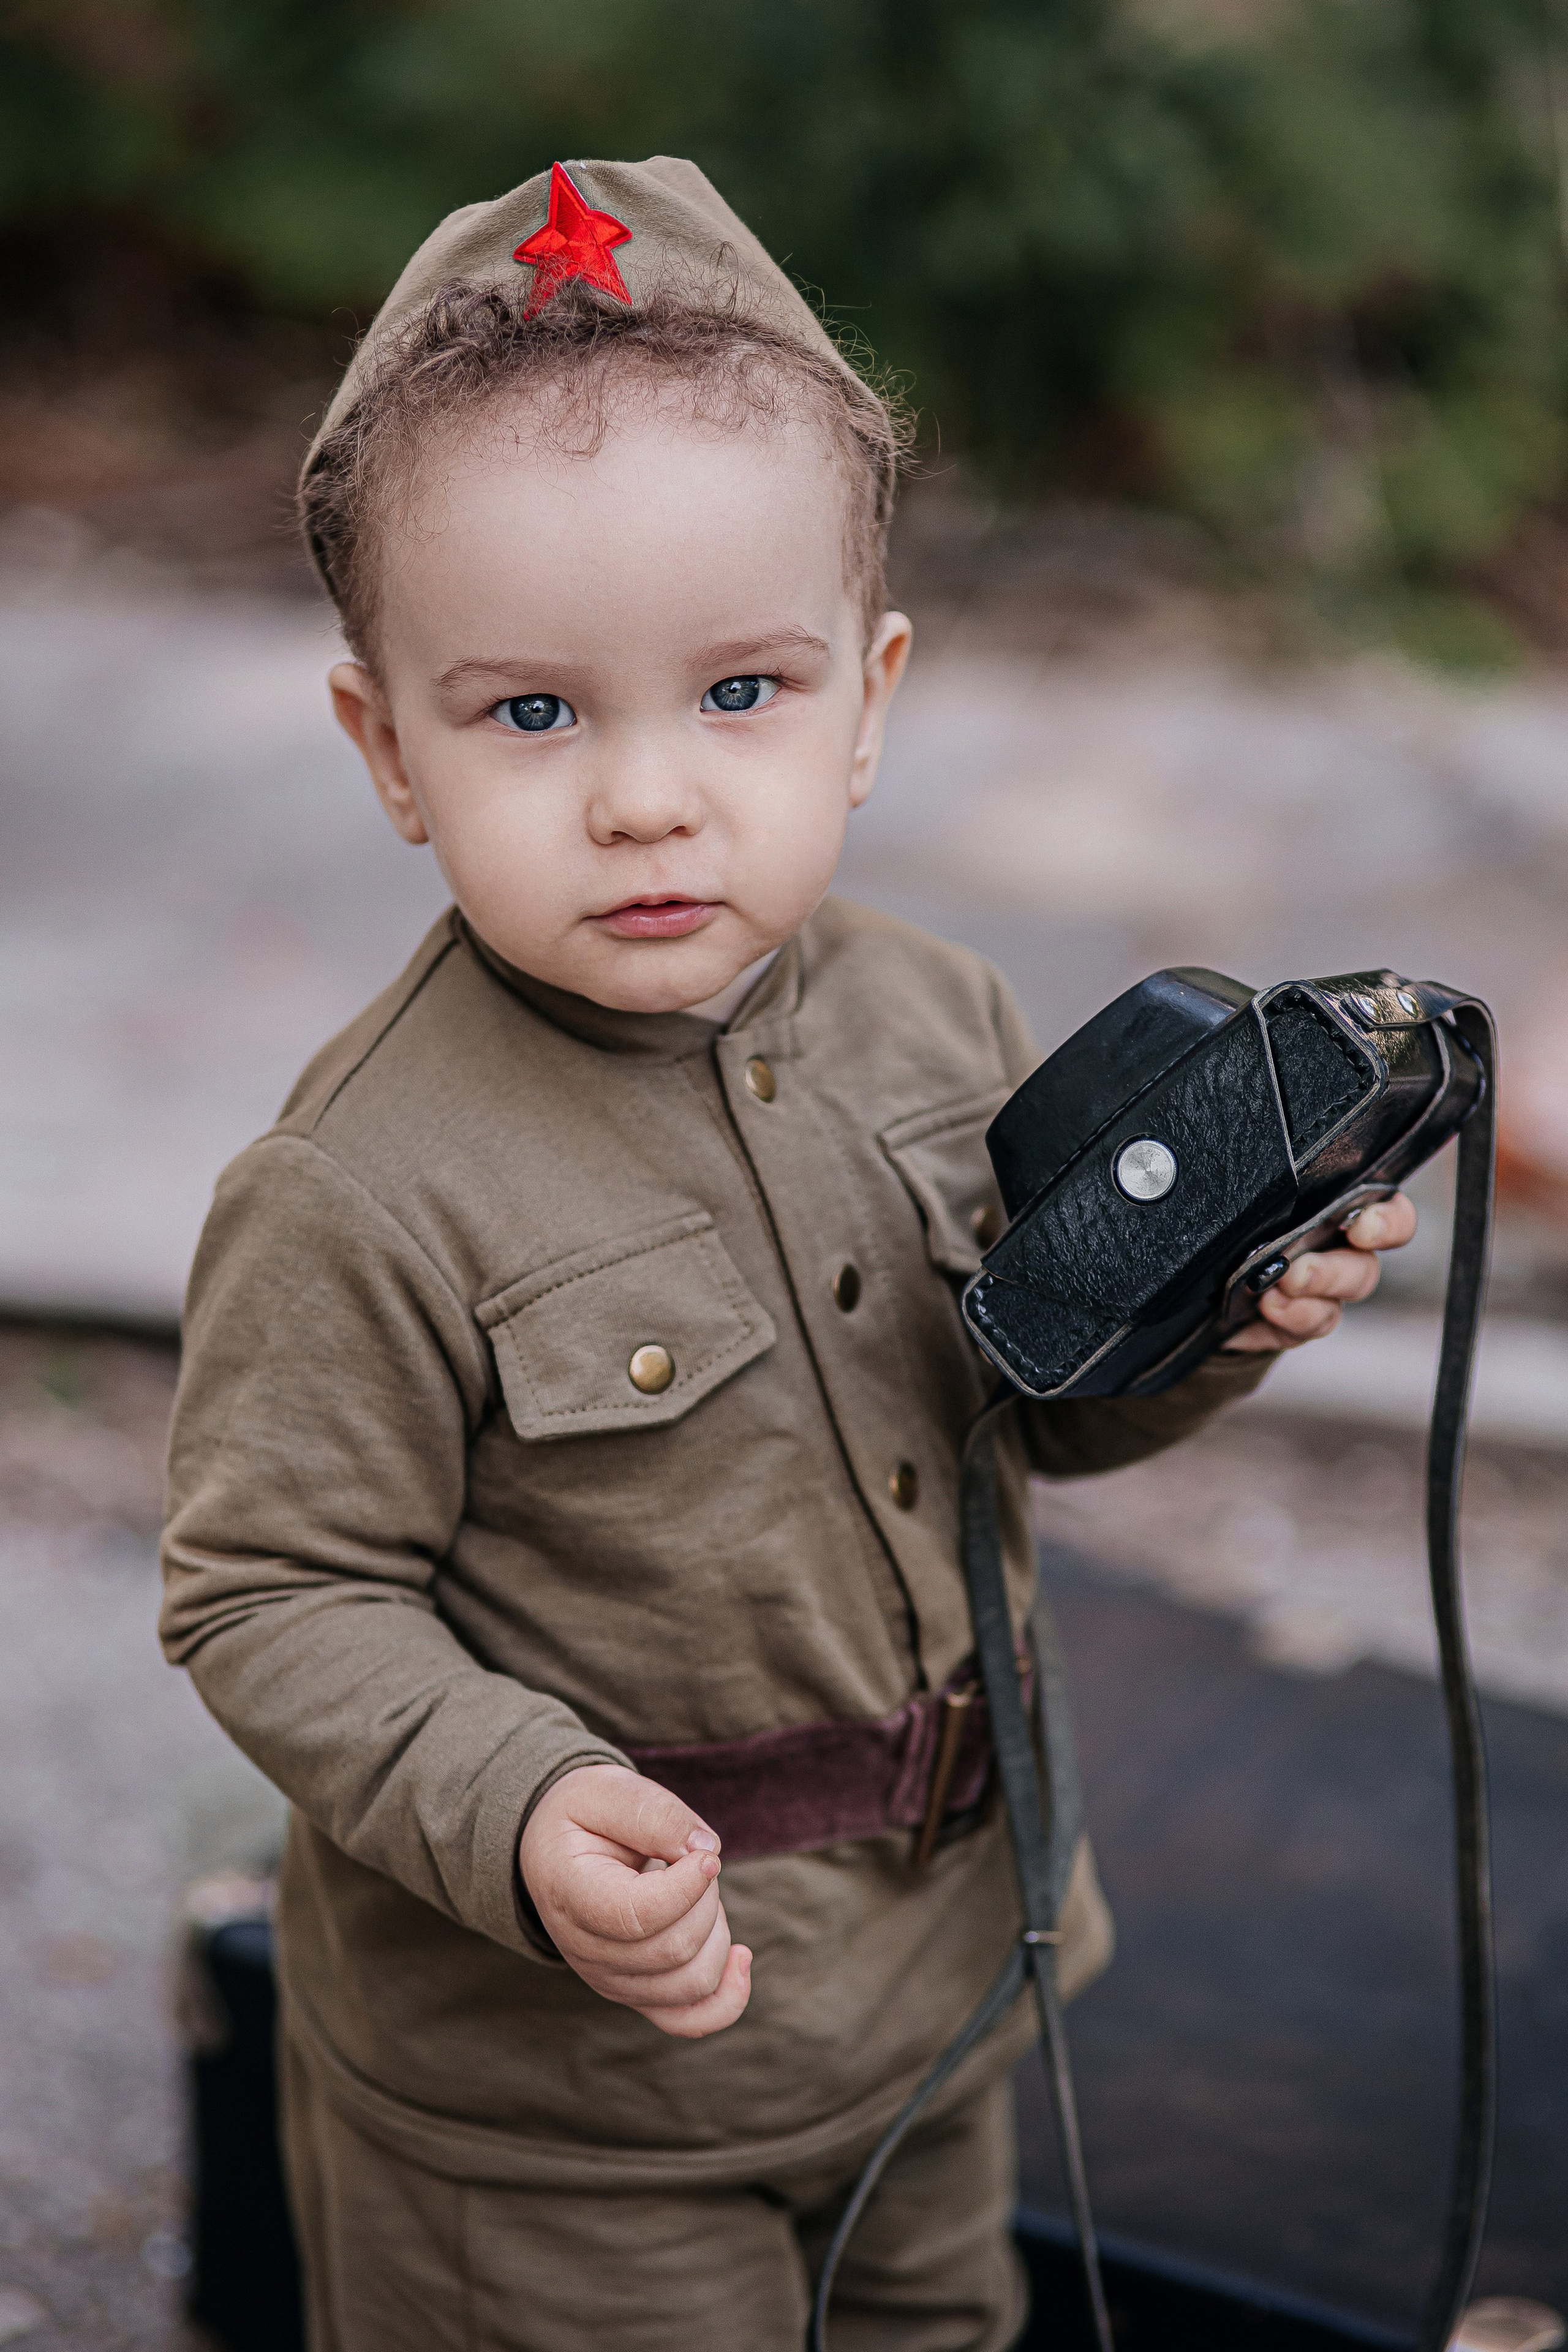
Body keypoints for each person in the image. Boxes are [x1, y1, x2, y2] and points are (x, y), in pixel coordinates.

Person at [159, 157, 1415, 2352]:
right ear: (388, 750)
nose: (651, 797)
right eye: (534, 714)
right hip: (561, 2119)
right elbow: (270, 1591)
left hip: (938, 2005)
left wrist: (1214, 1325)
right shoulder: (362, 1188)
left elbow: (1040, 1404)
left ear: (871, 692)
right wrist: (522, 1799)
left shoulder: (941, 1022)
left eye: (741, 692)